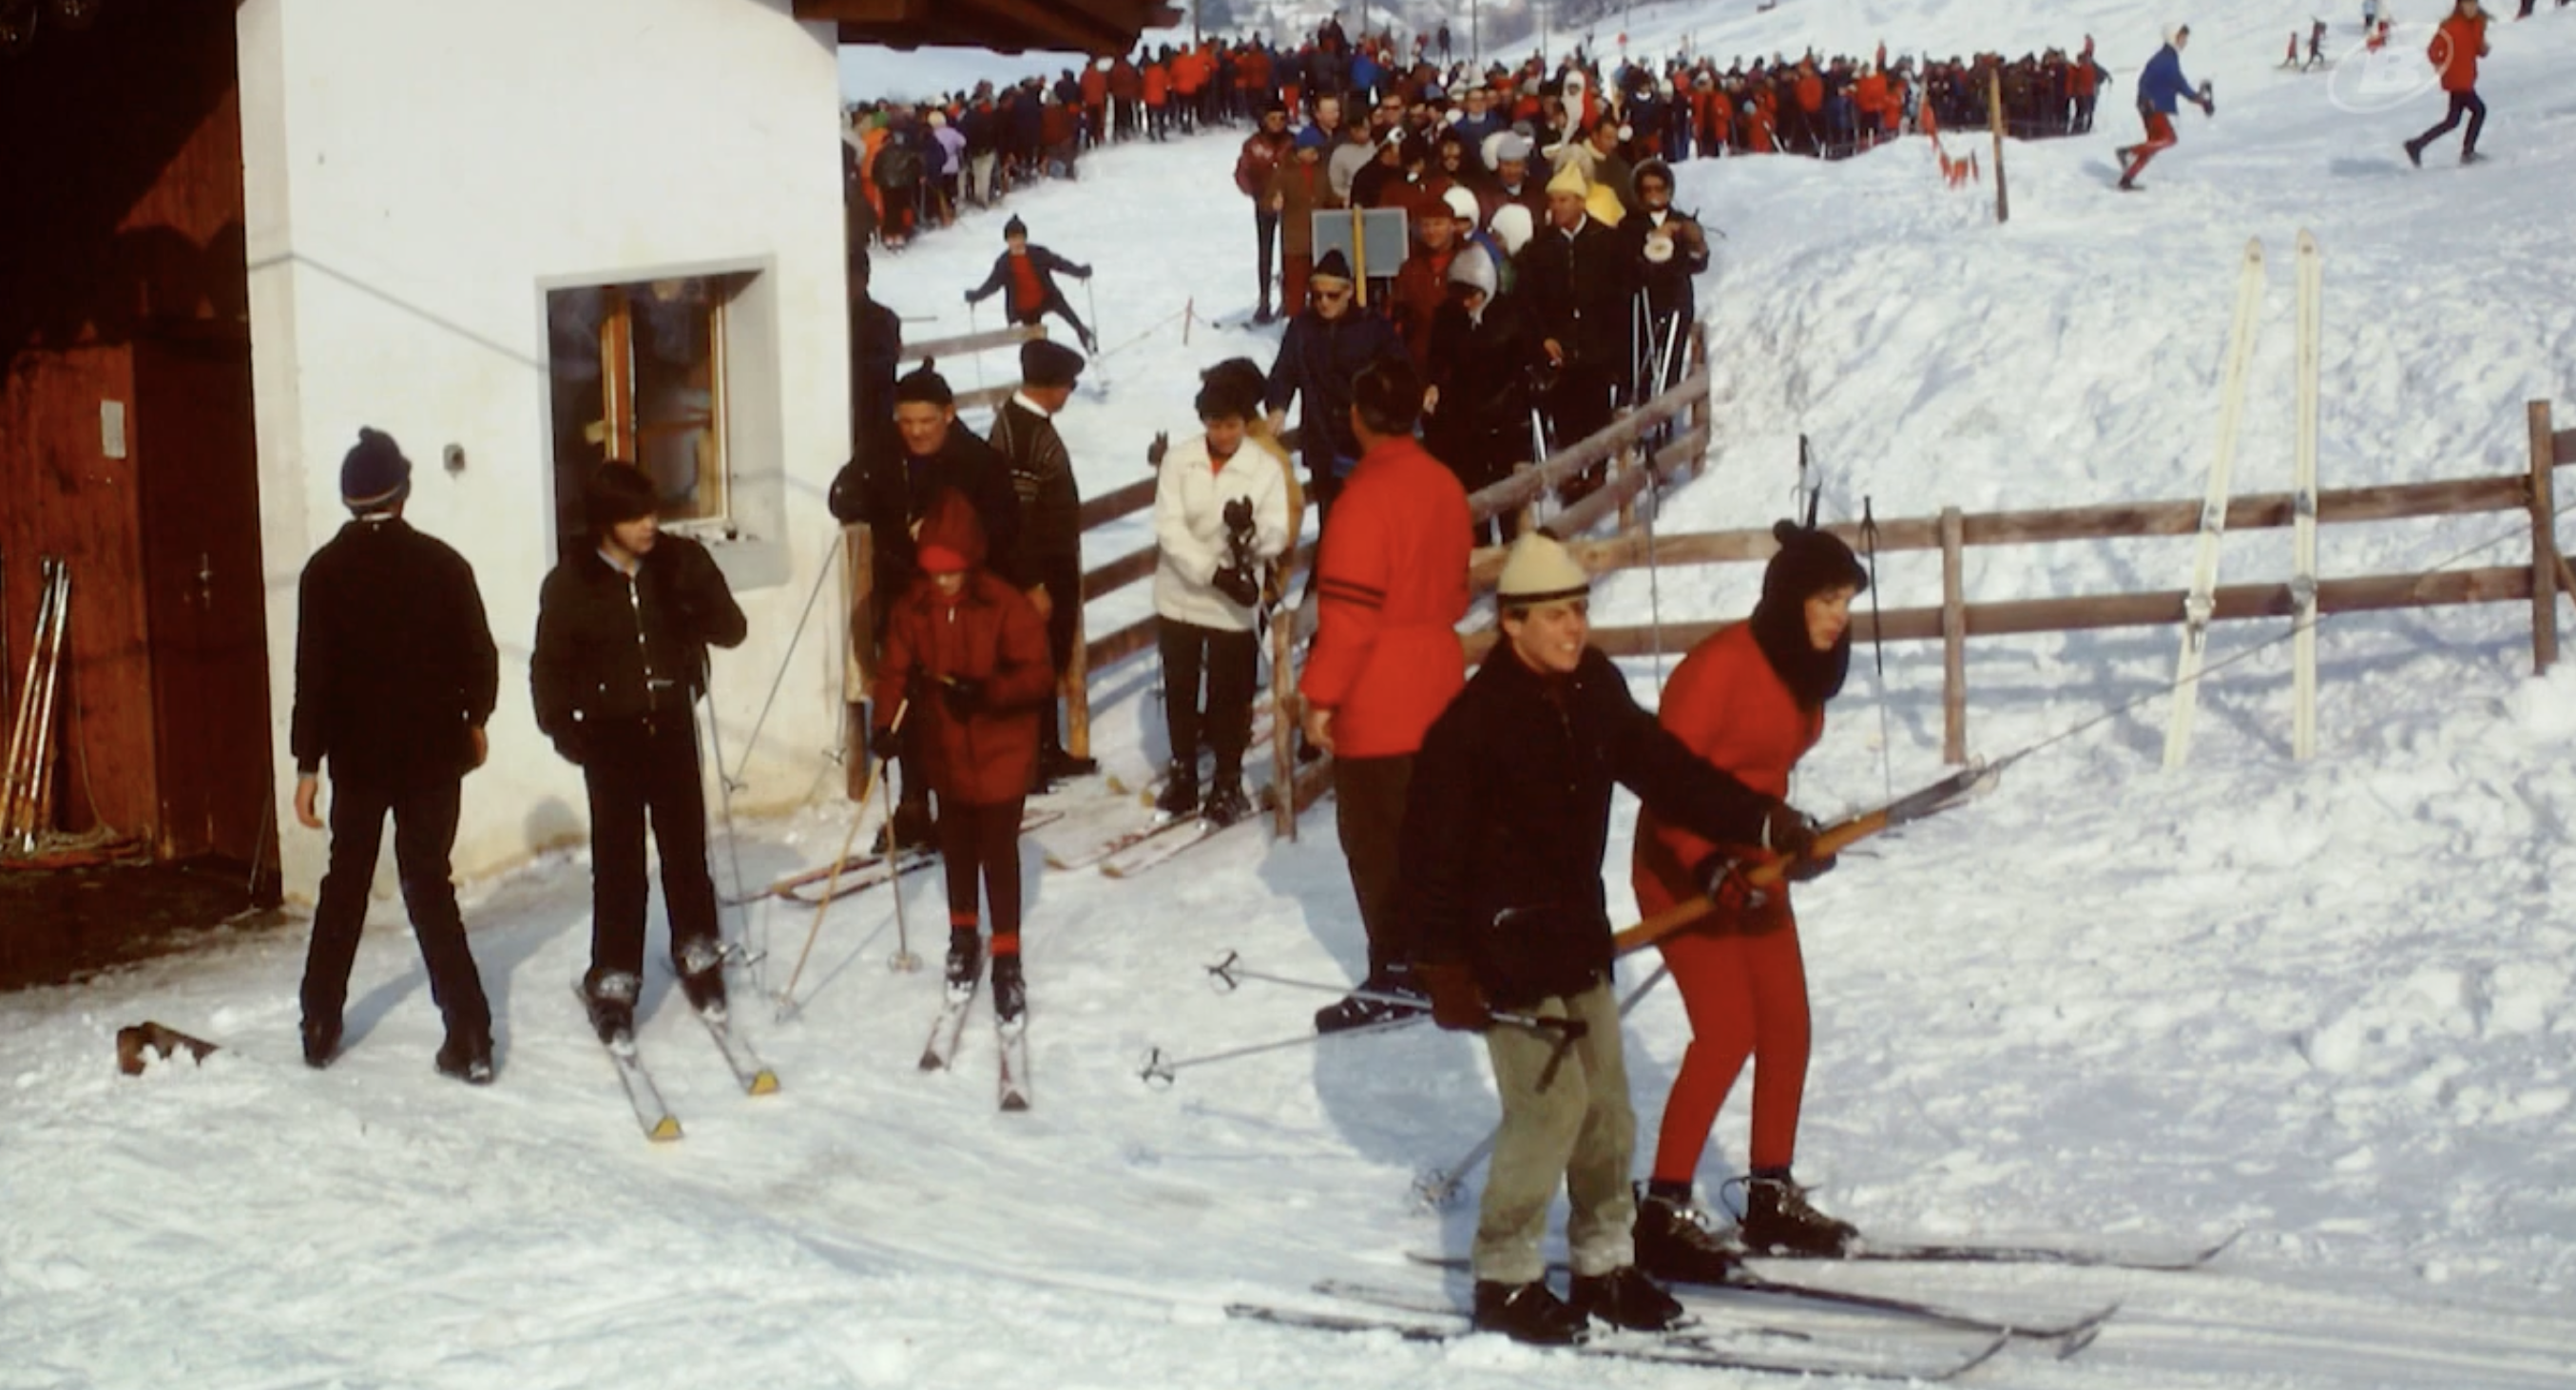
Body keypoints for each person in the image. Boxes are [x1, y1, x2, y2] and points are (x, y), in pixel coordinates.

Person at [1406, 531, 1817, 1344]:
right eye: (1556, 614)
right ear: (1513, 623)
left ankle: (1603, 1263)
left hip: (1576, 937)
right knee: (1549, 1112)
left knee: (1610, 1117)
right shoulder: (1471, 726)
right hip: (1501, 954)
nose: (1574, 628)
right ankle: (1506, 1276)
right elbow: (1427, 857)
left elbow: (1667, 769)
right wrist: (1444, 968)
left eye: (1581, 609)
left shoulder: (1593, 688)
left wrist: (1760, 819)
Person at [1630, 522, 1871, 1275]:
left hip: (1752, 859)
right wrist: (1705, 868)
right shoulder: (1716, 670)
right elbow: (1668, 792)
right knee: (1729, 1029)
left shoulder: (1806, 673)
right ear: (1789, 599)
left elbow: (1765, 780)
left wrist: (1793, 848)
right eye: (1826, 599)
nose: (1838, 615)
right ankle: (1662, 1209)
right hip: (1678, 861)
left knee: (1787, 1024)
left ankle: (1769, 1193)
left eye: (1845, 601)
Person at [288, 429, 499, 1081]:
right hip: (435, 755)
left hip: (359, 760)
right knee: (429, 884)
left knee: (345, 884)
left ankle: (320, 1023)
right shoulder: (444, 564)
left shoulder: (323, 574)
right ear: (403, 495)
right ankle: (468, 1032)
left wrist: (306, 766)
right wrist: (476, 719)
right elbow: (481, 658)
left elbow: (313, 677)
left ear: (349, 500)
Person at [535, 463, 749, 1042]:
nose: (650, 524)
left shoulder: (678, 563)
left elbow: (732, 630)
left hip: (672, 720)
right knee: (620, 860)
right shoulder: (572, 582)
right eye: (634, 517)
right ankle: (614, 975)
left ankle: (698, 949)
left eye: (654, 511)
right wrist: (560, 725)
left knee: (684, 847)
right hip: (610, 732)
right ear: (606, 522)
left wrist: (697, 596)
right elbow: (549, 663)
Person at [1300, 358, 1473, 1033]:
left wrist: (1319, 696)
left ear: (1356, 417)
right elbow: (1459, 588)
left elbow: (1348, 619)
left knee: (1377, 840)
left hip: (1379, 694)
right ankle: (1438, 958)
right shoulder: (1444, 486)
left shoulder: (1363, 500)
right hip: (1440, 675)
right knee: (1432, 834)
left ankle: (1397, 972)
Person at [868, 492, 1055, 1021]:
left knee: (997, 851)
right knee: (957, 848)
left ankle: (1007, 956)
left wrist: (988, 691)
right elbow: (895, 672)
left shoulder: (1003, 604)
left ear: (971, 563)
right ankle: (963, 936)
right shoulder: (915, 606)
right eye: (934, 572)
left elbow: (1037, 676)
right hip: (945, 749)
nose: (943, 582)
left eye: (952, 572)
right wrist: (884, 725)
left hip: (1002, 750)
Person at [829, 362, 1026, 851]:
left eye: (926, 422)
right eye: (907, 421)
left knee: (958, 704)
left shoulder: (979, 461)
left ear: (950, 415)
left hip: (966, 599)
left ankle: (965, 805)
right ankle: (914, 803)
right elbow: (844, 494)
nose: (916, 432)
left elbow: (1005, 529)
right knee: (909, 703)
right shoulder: (882, 449)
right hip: (904, 599)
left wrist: (951, 540)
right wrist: (881, 521)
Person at [1150, 359, 1294, 824]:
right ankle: (1184, 771)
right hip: (1182, 592)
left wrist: (1251, 537)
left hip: (1233, 602)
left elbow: (1279, 528)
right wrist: (1212, 572)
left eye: (1232, 425)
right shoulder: (1180, 460)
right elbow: (1170, 528)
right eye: (1215, 425)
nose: (1224, 434)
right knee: (1181, 687)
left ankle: (1227, 780)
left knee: (1229, 694)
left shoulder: (1263, 466)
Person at [988, 338, 1098, 788]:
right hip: (1036, 572)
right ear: (1051, 387)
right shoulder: (1021, 433)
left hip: (1051, 565)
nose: (1069, 393)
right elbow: (1015, 517)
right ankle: (1030, 759)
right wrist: (1033, 582)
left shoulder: (1026, 425)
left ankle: (1046, 750)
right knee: (1031, 663)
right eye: (1068, 385)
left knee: (1048, 662)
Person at [1514, 163, 1634, 492]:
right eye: (1552, 201)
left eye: (1564, 200)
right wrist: (1543, 337)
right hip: (1559, 345)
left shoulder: (1606, 242)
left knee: (1596, 412)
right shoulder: (1539, 248)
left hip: (1597, 345)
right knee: (1564, 413)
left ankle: (1596, 471)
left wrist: (1613, 343)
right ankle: (1570, 475)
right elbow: (1528, 300)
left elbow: (1621, 297)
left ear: (1581, 202)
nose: (1557, 208)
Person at [1263, 248, 1404, 522]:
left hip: (1365, 442)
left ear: (1349, 292)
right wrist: (1278, 405)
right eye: (1317, 296)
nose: (1324, 303)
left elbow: (1399, 371)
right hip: (1323, 442)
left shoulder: (1372, 327)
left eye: (1332, 296)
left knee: (1371, 520)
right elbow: (1284, 370)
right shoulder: (1302, 328)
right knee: (1332, 521)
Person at [1422, 242, 1547, 545]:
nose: (1467, 303)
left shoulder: (1512, 315)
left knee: (1511, 501)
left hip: (1507, 421)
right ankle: (1478, 563)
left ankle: (1514, 559)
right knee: (1471, 499)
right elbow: (1437, 359)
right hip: (1465, 422)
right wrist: (1434, 384)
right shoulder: (1447, 318)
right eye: (1460, 295)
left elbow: (1532, 359)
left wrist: (1531, 387)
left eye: (1472, 295)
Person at [1625, 159, 1709, 399]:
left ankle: (1667, 424)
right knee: (1641, 367)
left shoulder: (1682, 221)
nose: (1653, 195)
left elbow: (1698, 263)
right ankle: (1640, 421)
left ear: (1668, 190)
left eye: (1658, 188)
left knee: (1671, 365)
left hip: (1675, 300)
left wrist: (1696, 243)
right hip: (1643, 303)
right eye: (1647, 190)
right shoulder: (1630, 223)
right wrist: (1650, 243)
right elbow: (1624, 263)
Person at [964, 216, 1098, 353]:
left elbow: (1059, 264)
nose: (1017, 242)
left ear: (1025, 237)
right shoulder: (1004, 263)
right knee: (1035, 343)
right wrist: (976, 296)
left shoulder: (1038, 254)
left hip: (1047, 297)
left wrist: (1079, 272)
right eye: (1012, 238)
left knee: (1074, 321)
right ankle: (1042, 365)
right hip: (1026, 309)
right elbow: (992, 284)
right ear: (1007, 241)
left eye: (1020, 237)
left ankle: (1090, 345)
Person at [2113, 25, 2213, 192]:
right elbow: (2182, 87)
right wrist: (2202, 101)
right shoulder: (2166, 60)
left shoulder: (2165, 57)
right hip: (2155, 107)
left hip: (2150, 105)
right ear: (2172, 37)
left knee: (2153, 145)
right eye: (2182, 37)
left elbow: (2146, 81)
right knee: (2168, 139)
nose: (2185, 41)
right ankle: (2127, 152)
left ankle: (2127, 179)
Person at [2406, 0, 2491, 167]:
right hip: (2456, 79)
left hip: (2467, 77)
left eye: (2473, 4)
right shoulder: (2450, 26)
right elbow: (2433, 50)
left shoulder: (2476, 24)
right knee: (2479, 110)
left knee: (2452, 120)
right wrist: (2439, 63)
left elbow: (2477, 50)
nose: (2471, 8)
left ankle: (2416, 145)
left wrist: (2483, 48)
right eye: (2467, 5)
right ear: (2459, 6)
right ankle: (2468, 152)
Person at [1237, 101, 1298, 323]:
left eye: (1281, 119)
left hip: (1291, 204)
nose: (1277, 124)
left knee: (1289, 252)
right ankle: (1264, 300)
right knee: (1265, 251)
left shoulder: (1292, 142)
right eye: (1273, 119)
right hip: (1264, 203)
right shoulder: (1253, 145)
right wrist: (1255, 192)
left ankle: (1287, 297)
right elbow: (1242, 173)